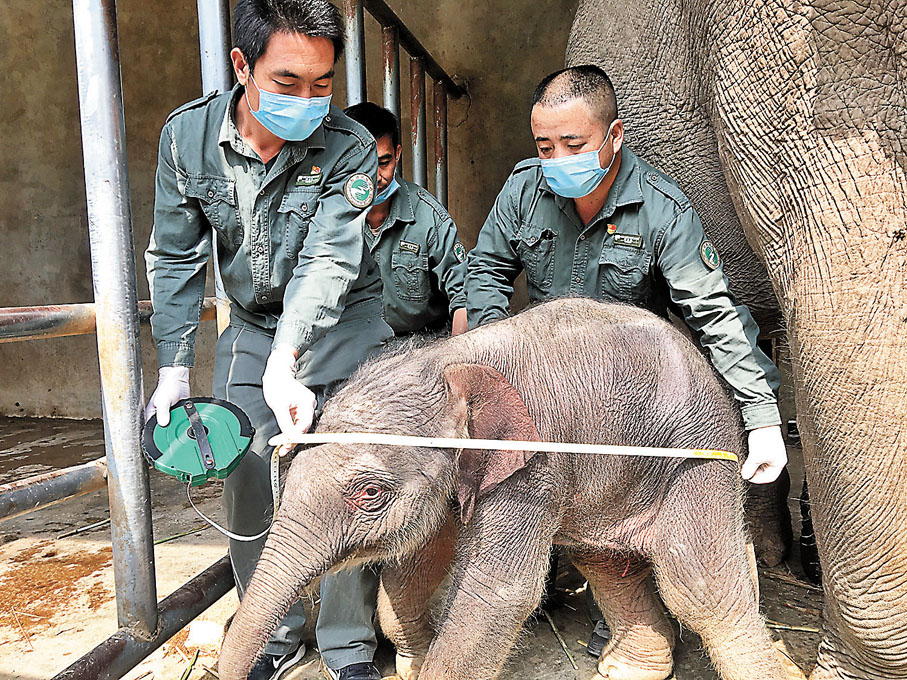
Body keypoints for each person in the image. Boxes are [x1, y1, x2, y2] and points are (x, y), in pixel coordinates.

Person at [464, 64, 788, 657]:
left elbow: (714, 313)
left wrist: (762, 416)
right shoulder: (522, 190)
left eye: (574, 145)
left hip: (633, 392)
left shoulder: (662, 209)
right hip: (550, 383)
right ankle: (607, 608)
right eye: (544, 146)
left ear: (614, 136)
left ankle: (661, 610)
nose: (557, 159)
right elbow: (484, 271)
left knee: (643, 510)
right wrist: (494, 356)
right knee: (554, 500)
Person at [143, 2, 390, 679]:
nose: (308, 101)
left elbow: (330, 261)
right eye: (287, 82)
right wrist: (171, 365)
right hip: (250, 323)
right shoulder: (186, 139)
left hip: (343, 321)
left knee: (348, 475)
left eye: (322, 83)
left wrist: (289, 359)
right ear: (242, 66)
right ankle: (269, 635)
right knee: (244, 465)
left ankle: (347, 646)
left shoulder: (349, 147)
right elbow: (174, 256)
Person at [344, 102, 468, 336]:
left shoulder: (429, 217)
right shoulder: (324, 215)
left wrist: (455, 354)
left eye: (383, 163)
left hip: (419, 345)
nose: (374, 177)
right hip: (351, 347)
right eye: (361, 165)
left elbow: (464, 295)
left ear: (398, 155)